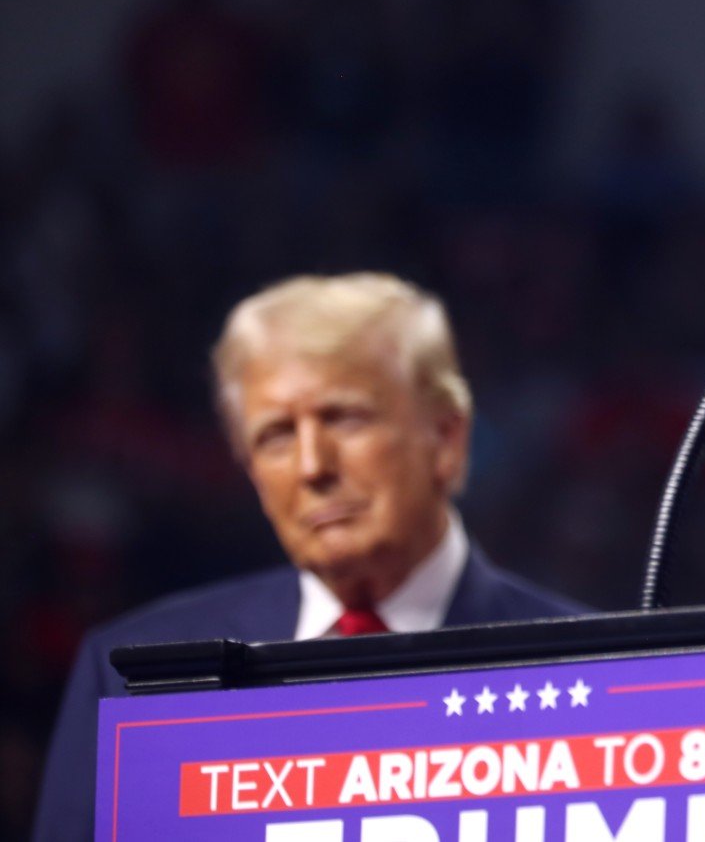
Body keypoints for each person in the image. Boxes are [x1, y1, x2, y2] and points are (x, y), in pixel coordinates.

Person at [33, 273, 585, 841]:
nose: (312, 467)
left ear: (446, 440)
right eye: (275, 435)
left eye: (345, 418)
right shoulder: (135, 682)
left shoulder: (594, 679)